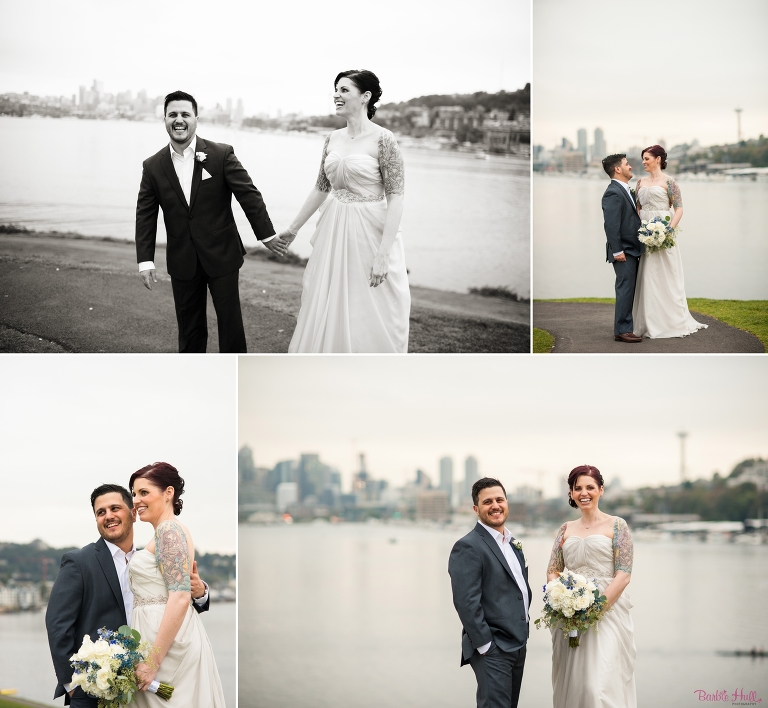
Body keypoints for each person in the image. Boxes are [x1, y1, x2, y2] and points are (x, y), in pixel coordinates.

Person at [135, 90, 286, 353]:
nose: (179, 120)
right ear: (165, 119)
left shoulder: (221, 154)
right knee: (189, 329)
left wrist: (266, 234)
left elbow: (248, 195)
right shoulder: (152, 166)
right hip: (182, 259)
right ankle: (195, 374)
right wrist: (145, 260)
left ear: (196, 119)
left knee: (230, 325)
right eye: (172, 114)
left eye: (185, 114)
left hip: (222, 255)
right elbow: (145, 215)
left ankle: (235, 371)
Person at [277, 70, 411, 352]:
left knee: (371, 304)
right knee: (328, 296)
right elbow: (320, 188)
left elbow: (396, 196)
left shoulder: (384, 139)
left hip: (370, 233)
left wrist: (383, 254)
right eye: (336, 89)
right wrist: (293, 229)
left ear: (365, 97)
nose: (336, 95)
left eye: (344, 90)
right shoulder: (332, 138)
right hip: (334, 229)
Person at [45, 484, 209, 707]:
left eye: (115, 508)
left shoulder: (149, 561)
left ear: (133, 513)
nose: (108, 516)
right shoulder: (79, 562)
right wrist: (73, 685)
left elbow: (174, 599)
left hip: (147, 683)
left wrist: (201, 593)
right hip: (95, 691)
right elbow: (57, 625)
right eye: (100, 512)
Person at [128, 462, 225, 706]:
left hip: (166, 648)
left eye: (144, 492)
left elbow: (180, 597)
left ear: (168, 493)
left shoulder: (169, 530)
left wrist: (152, 662)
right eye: (134, 494)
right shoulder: (163, 532)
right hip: (156, 637)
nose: (136, 500)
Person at [547, 465, 636, 708]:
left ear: (601, 490)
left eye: (590, 487)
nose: (583, 493)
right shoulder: (565, 529)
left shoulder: (617, 525)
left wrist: (594, 611)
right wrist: (561, 601)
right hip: (569, 617)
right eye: (578, 488)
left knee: (597, 687)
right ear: (571, 493)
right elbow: (553, 570)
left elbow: (623, 574)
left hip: (607, 614)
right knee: (575, 684)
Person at [448, 478, 531, 708]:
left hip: (517, 643)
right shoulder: (468, 546)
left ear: (506, 503)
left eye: (499, 500)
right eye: (487, 502)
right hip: (493, 648)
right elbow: (466, 602)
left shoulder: (512, 543)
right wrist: (486, 646)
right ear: (476, 509)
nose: (495, 506)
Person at [632, 145, 708, 338]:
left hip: (664, 233)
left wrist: (668, 230)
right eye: (643, 159)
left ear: (658, 159)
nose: (643, 162)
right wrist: (642, 228)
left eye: (647, 158)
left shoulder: (670, 182)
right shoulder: (640, 182)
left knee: (667, 274)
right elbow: (638, 207)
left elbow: (679, 208)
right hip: (645, 234)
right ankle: (648, 321)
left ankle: (672, 321)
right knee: (648, 275)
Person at [601, 154, 643, 343]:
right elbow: (611, 225)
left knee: (629, 288)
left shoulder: (625, 190)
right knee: (625, 288)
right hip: (624, 251)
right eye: (627, 164)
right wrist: (617, 251)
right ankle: (623, 330)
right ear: (618, 169)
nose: (630, 167)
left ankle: (627, 327)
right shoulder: (613, 193)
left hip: (632, 248)